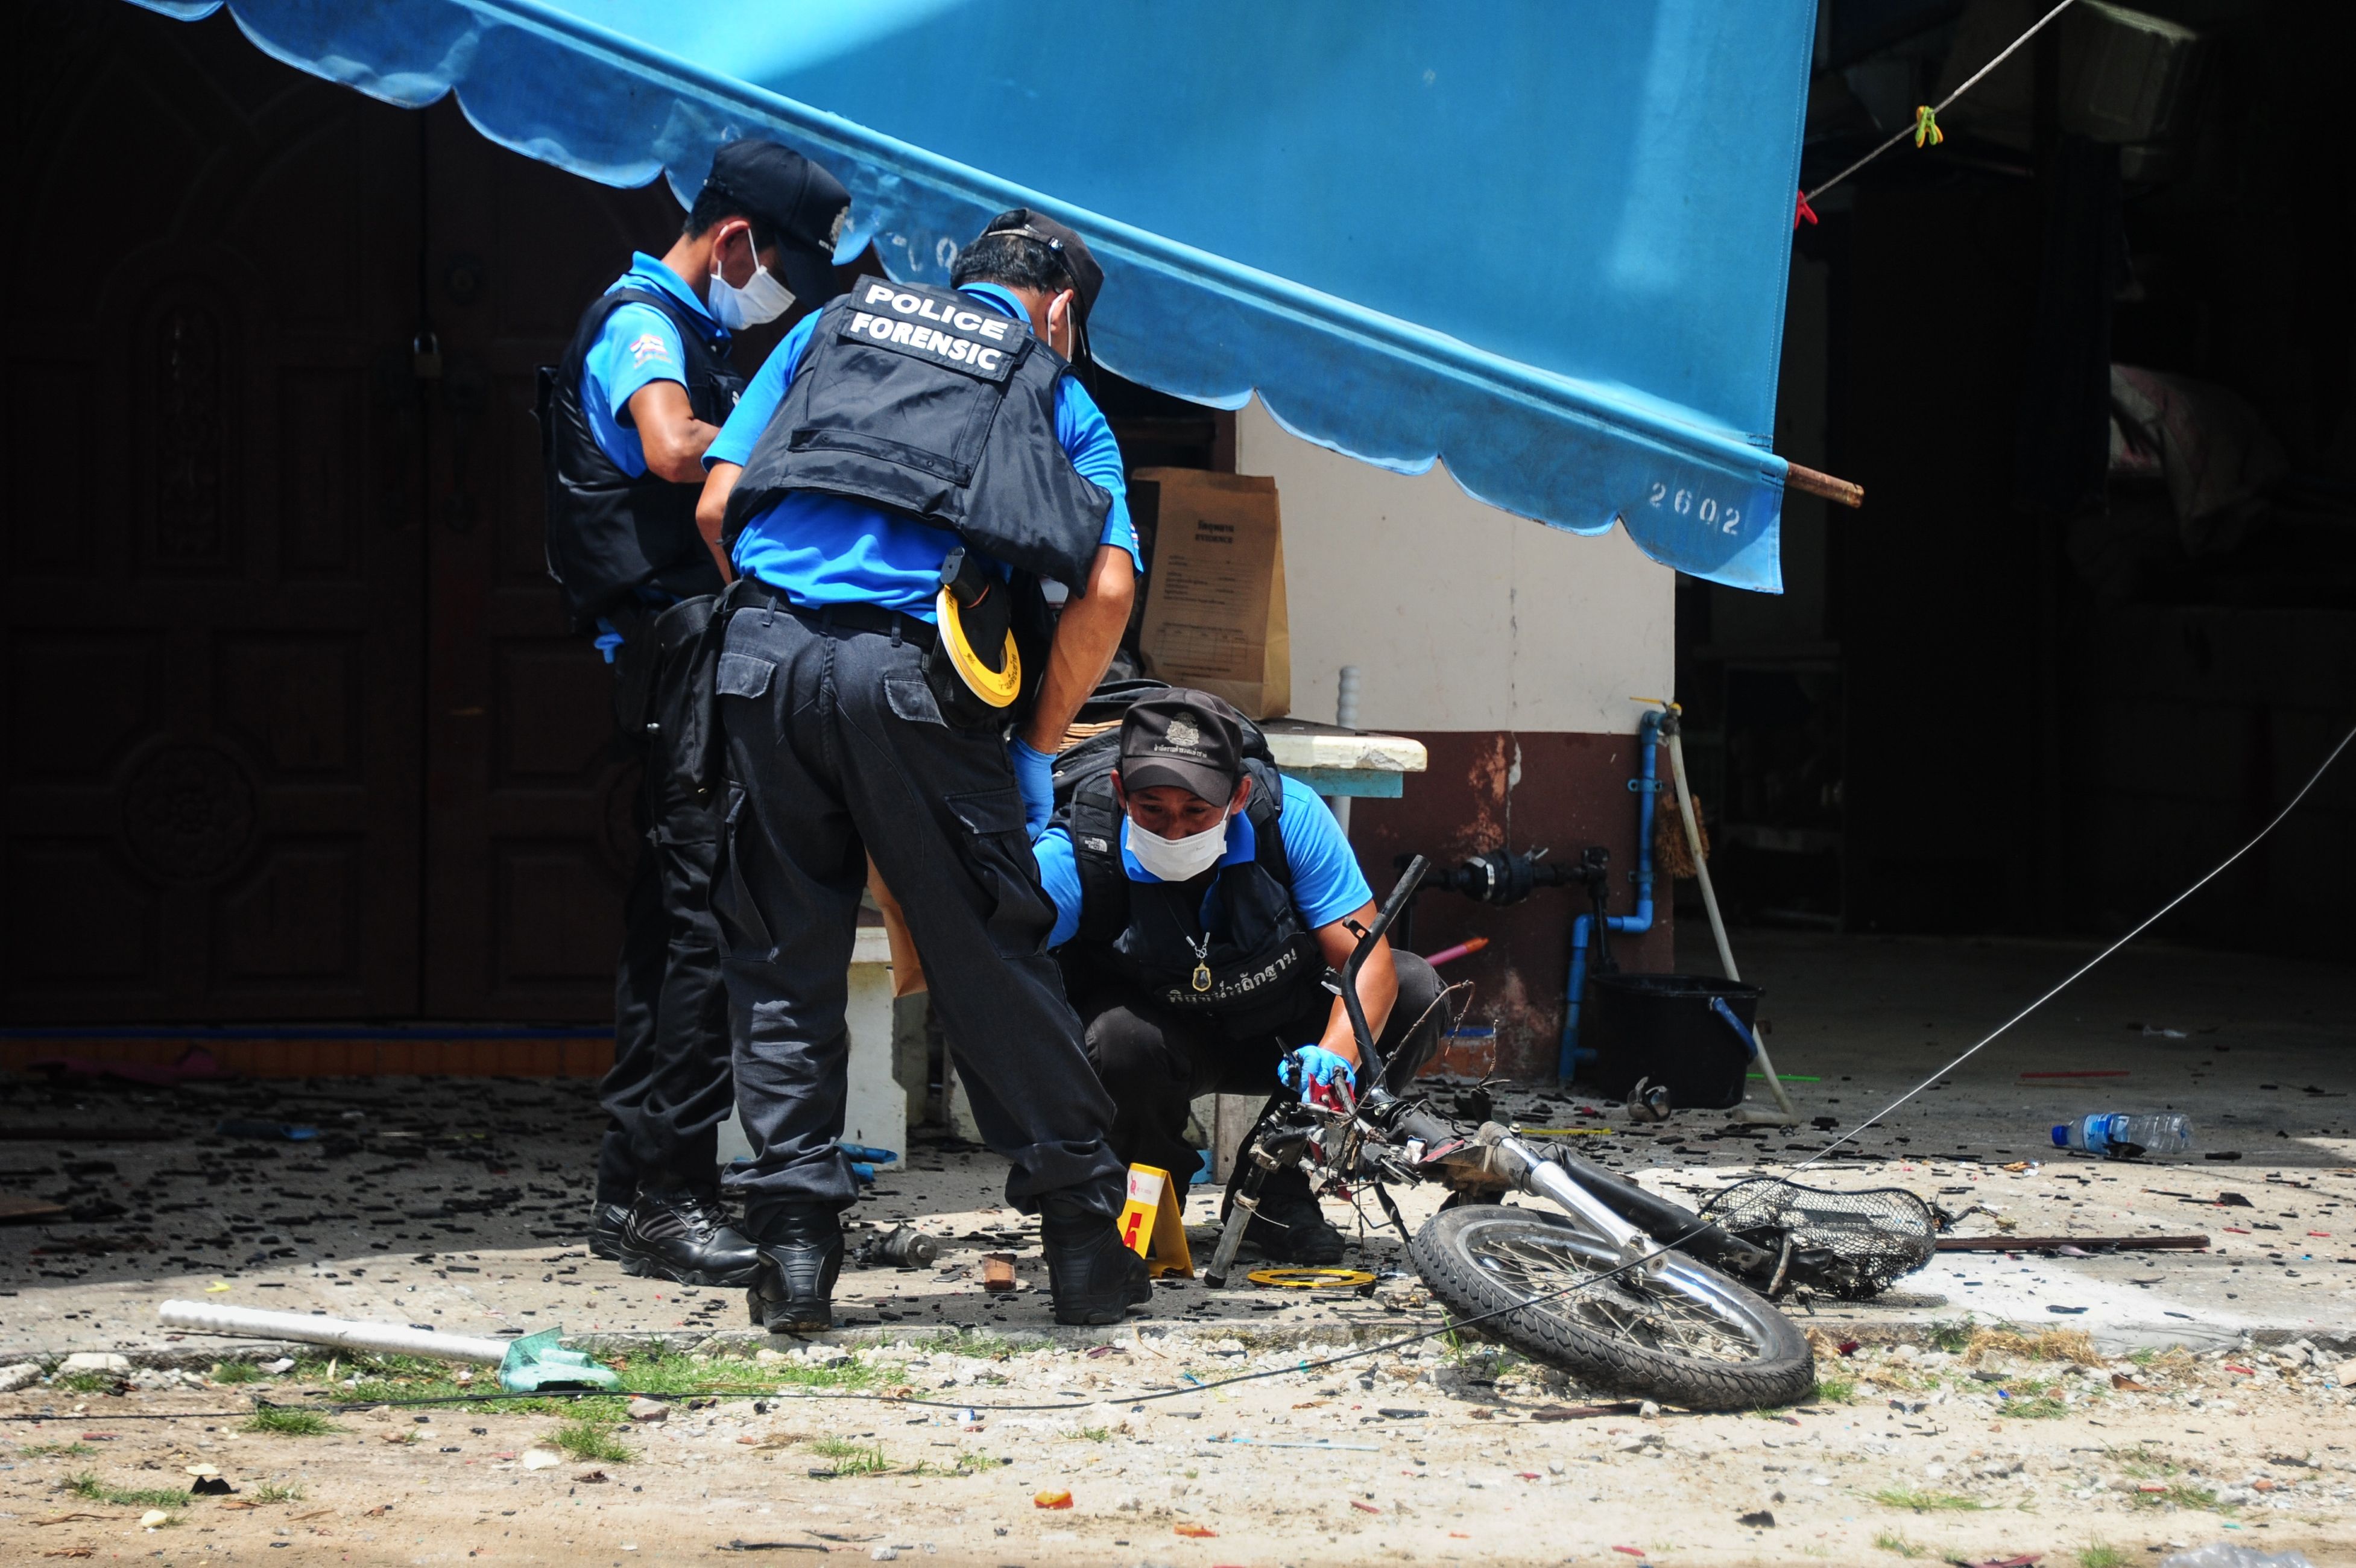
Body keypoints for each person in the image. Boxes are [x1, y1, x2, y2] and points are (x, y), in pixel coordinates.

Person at [694, 210, 1149, 1330]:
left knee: (780, 954)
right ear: (1060, 311)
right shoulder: (1053, 386)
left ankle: (794, 1257)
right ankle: (1086, 1243)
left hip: (759, 665)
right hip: (916, 682)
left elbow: (716, 502)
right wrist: (1038, 746)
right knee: (986, 954)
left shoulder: (830, 328)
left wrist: (779, 618)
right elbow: (1103, 594)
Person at [540, 138, 850, 1286]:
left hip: (678, 661)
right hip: (678, 663)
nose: (776, 297)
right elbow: (671, 448)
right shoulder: (643, 323)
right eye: (776, 268)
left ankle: (637, 1196)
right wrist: (817, 445)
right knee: (700, 935)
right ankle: (667, 1197)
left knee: (670, 933)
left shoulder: (692, 326)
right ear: (732, 240)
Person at [1035, 688, 1451, 1263]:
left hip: (1285, 1038)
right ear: (1118, 790)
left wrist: (1334, 1057)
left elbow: (1369, 965)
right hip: (1158, 1044)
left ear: (1238, 795)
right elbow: (998, 962)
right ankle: (1144, 1204)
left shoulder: (1291, 818)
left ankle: (1274, 1195)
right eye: (1151, 809)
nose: (1173, 832)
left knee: (1414, 992)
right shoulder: (1078, 849)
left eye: (1195, 813)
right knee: (1116, 1041)